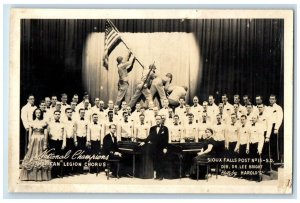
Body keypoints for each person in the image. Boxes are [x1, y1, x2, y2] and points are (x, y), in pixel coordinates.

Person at [20, 108, 52, 181]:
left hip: (41, 139)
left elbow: (46, 133)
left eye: (39, 112)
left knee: (41, 156)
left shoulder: (44, 122)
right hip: (34, 140)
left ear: (41, 113)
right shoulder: (32, 122)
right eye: (36, 113)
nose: (38, 114)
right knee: (32, 155)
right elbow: (30, 134)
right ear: (35, 114)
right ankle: (31, 175)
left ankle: (42, 175)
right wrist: (29, 143)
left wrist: (45, 143)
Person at [139, 115, 169, 180]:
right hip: (154, 147)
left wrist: (165, 148)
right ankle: (157, 176)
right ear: (155, 120)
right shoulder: (152, 128)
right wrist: (144, 142)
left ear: (161, 120)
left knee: (161, 161)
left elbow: (166, 139)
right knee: (155, 161)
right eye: (156, 119)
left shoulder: (165, 128)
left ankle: (161, 176)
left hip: (161, 148)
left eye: (159, 119)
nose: (158, 120)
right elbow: (149, 137)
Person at [46, 110, 65, 178]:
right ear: (53, 115)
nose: (57, 115)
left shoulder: (62, 123)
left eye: (58, 114)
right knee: (53, 158)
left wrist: (64, 143)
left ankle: (59, 173)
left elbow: (64, 134)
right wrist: (47, 143)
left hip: (60, 142)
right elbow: (47, 134)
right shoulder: (50, 124)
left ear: (60, 115)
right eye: (56, 114)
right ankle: (52, 173)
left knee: (59, 158)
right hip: (52, 142)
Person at [268, 94, 284, 166]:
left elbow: (280, 118)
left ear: (275, 100)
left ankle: (277, 159)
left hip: (275, 127)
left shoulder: (278, 108)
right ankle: (271, 159)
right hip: (269, 126)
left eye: (273, 99)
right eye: (270, 99)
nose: (271, 100)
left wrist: (276, 128)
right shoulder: (268, 108)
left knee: (276, 144)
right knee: (270, 143)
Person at [248, 114, 264, 181]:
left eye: (254, 118)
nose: (253, 119)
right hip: (251, 145)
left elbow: (261, 138)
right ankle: (252, 176)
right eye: (252, 118)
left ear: (257, 119)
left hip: (257, 145)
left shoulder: (260, 126)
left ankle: (258, 177)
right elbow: (248, 137)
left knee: (257, 161)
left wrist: (259, 148)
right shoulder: (250, 126)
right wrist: (248, 147)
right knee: (252, 161)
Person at [63, 108, 77, 176]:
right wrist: (64, 143)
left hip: (71, 140)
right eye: (68, 112)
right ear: (65, 113)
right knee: (65, 156)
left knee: (71, 156)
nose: (69, 113)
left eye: (71, 112)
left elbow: (74, 132)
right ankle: (64, 171)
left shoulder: (73, 121)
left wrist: (75, 140)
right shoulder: (63, 121)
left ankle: (69, 171)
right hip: (65, 140)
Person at [76, 108, 88, 174]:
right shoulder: (76, 120)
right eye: (81, 112)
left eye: (83, 112)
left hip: (84, 138)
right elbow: (75, 131)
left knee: (83, 153)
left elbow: (87, 131)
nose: (83, 113)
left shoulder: (86, 121)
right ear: (79, 113)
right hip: (78, 138)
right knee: (78, 153)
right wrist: (75, 140)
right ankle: (78, 170)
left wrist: (87, 140)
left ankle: (82, 169)